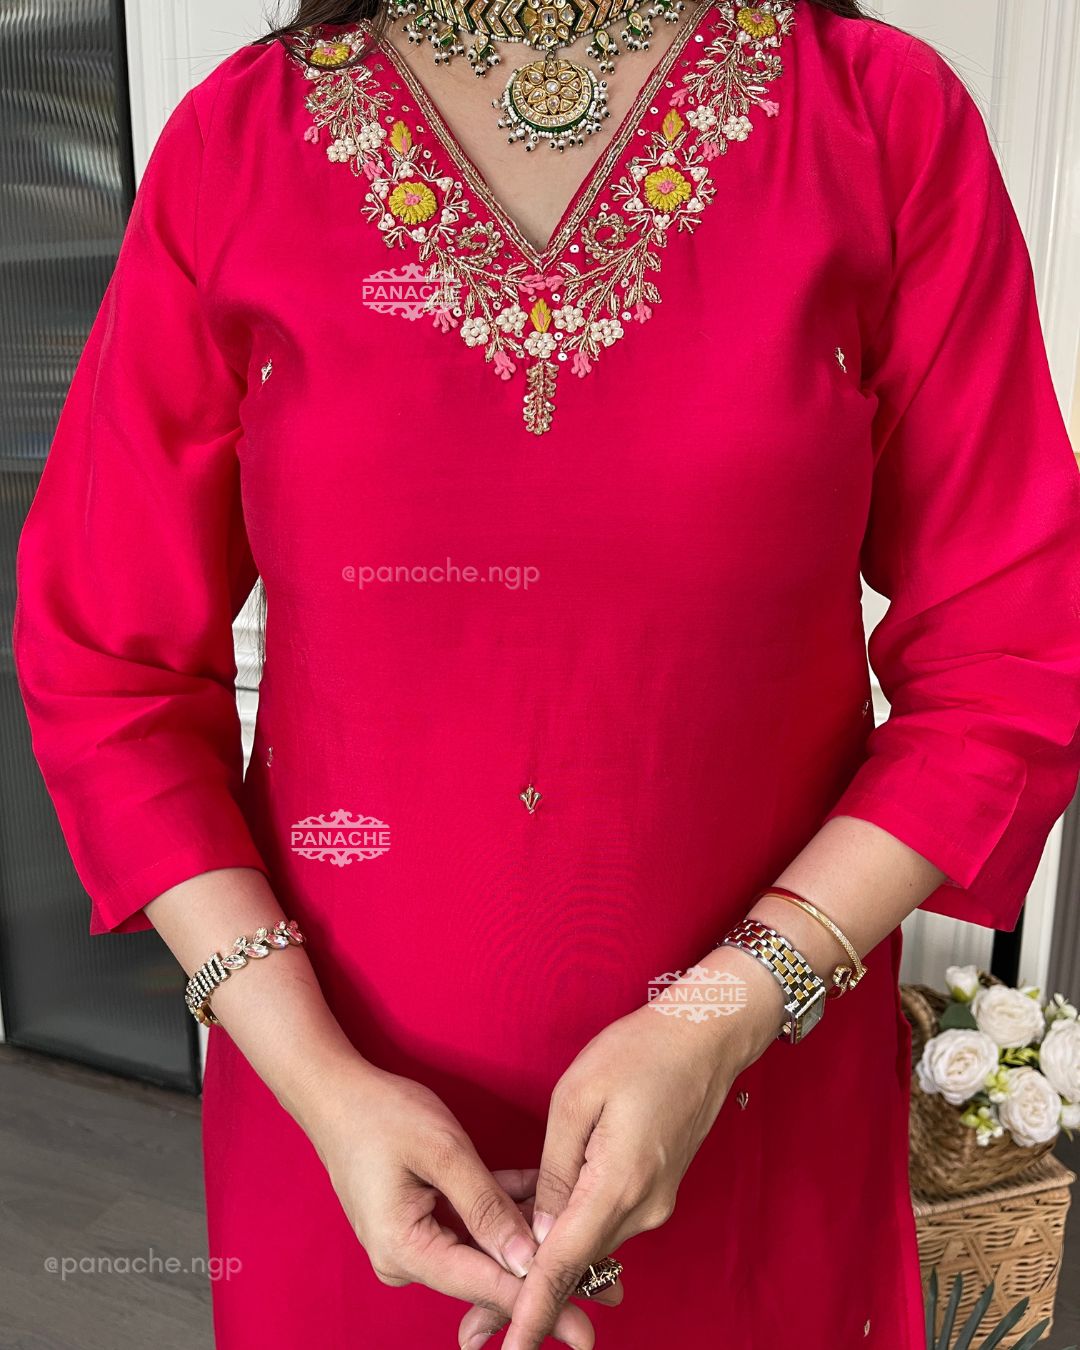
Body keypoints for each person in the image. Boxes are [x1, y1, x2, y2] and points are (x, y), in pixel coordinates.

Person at [13, 0, 1080, 1345]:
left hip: (755, 1106)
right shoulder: (241, 143)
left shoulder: (876, 122)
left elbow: (1011, 654)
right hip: (345, 1139)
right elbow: (107, 667)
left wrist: (718, 1021)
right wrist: (321, 1082)